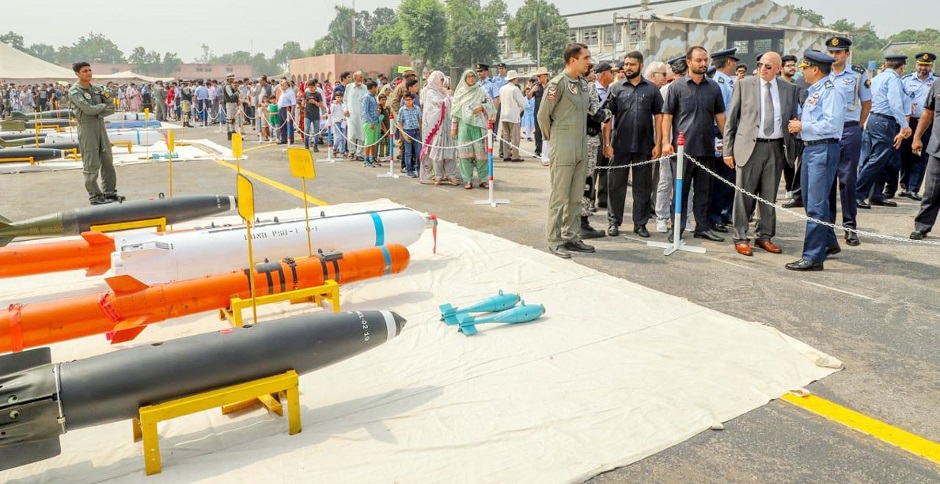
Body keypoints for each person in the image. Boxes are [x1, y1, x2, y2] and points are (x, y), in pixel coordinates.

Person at [722, 52, 800, 257]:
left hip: (775, 147)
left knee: (768, 196)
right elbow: (732, 120)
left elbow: (793, 119)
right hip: (749, 147)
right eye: (760, 65)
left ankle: (765, 236)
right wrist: (728, 150)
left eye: (767, 66)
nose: (762, 69)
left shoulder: (789, 89)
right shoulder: (744, 85)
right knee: (743, 195)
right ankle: (740, 236)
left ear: (778, 68)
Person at [785, 50, 846, 271]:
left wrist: (804, 126)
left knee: (817, 206)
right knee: (812, 202)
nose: (803, 72)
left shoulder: (831, 92)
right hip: (811, 149)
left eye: (805, 68)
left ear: (815, 69)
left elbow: (831, 125)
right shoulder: (815, 91)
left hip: (823, 149)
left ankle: (812, 257)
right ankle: (827, 242)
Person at [661, 46, 727, 242]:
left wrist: (728, 142)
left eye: (705, 60)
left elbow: (720, 117)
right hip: (683, 150)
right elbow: (667, 117)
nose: (704, 63)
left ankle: (702, 227)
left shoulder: (714, 87)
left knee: (704, 191)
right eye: (699, 60)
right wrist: (666, 142)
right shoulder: (677, 87)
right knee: (680, 190)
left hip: (707, 148)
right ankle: (677, 229)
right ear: (689, 63)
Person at [537, 42, 594, 259]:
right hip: (563, 146)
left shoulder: (581, 84)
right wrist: (554, 140)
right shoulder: (556, 84)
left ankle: (571, 236)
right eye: (586, 58)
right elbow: (543, 116)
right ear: (573, 60)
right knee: (559, 196)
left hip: (580, 145)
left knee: (576, 196)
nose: (589, 62)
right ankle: (554, 239)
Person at [820, 36, 872, 247]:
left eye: (838, 52)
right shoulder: (822, 73)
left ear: (847, 54)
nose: (834, 56)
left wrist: (858, 125)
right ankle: (828, 226)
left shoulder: (858, 75)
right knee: (828, 180)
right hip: (828, 132)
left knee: (848, 180)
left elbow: (867, 103)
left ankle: (850, 226)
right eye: (831, 52)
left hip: (850, 130)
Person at [605, 52, 663, 238]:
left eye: (632, 64)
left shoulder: (652, 90)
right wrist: (607, 143)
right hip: (619, 145)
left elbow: (660, 117)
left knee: (643, 187)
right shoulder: (615, 88)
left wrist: (659, 143)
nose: (628, 67)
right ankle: (614, 222)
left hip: (645, 145)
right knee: (616, 185)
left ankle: (640, 224)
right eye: (626, 64)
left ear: (640, 66)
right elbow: (607, 118)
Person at [855, 54, 912, 209]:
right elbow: (895, 104)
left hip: (873, 119)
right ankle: (858, 193)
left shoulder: (877, 78)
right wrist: (904, 126)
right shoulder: (893, 79)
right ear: (902, 67)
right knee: (878, 159)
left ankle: (875, 194)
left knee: (871, 158)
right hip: (885, 121)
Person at [68, 62, 122, 205]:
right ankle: (95, 196)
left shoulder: (97, 89)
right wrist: (102, 107)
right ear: (77, 74)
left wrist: (98, 108)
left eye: (90, 70)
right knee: (91, 162)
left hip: (100, 125)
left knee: (107, 160)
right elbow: (88, 110)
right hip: (87, 128)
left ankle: (109, 192)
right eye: (85, 71)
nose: (89, 73)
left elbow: (111, 107)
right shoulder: (75, 91)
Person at [653, 54, 688, 234]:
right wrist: (661, 142)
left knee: (686, 184)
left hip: (686, 143)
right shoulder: (665, 91)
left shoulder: (692, 88)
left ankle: (684, 217)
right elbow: (660, 120)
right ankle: (662, 217)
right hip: (670, 143)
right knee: (665, 181)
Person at [708, 48, 739, 234]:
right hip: (720, 134)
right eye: (733, 61)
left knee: (728, 178)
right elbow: (719, 115)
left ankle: (723, 214)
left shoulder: (727, 82)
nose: (734, 64)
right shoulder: (719, 83)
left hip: (726, 133)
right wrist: (724, 139)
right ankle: (715, 216)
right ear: (728, 62)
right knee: (720, 179)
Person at [899, 52, 937, 201]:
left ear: (931, 66)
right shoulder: (906, 80)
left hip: (927, 124)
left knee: (920, 156)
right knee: (904, 155)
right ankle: (904, 186)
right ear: (916, 65)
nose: (923, 68)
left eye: (926, 65)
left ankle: (913, 188)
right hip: (909, 122)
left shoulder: (936, 81)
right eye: (921, 65)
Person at [452, 69, 495, 189]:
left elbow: (490, 104)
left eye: (473, 76)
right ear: (465, 79)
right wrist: (453, 128)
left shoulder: (481, 91)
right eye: (468, 77)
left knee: (481, 154)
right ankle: (468, 180)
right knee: (465, 155)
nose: (471, 79)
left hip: (479, 125)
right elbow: (455, 112)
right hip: (464, 126)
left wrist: (482, 107)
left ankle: (483, 179)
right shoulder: (460, 92)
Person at [910, 73, 940, 240]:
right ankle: (922, 226)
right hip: (937, 148)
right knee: (931, 191)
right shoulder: (937, 84)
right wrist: (917, 136)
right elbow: (927, 113)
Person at [780, 54, 808, 208]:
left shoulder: (797, 85)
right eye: (789, 65)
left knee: (793, 161)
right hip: (779, 132)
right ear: (781, 68)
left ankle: (793, 189)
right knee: (783, 162)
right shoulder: (776, 85)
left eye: (793, 65)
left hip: (795, 131)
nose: (792, 68)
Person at [420, 71, 459, 185]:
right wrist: (449, 97)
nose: (443, 82)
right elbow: (440, 104)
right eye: (441, 79)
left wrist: (448, 96)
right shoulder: (431, 93)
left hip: (447, 126)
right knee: (437, 151)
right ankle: (438, 175)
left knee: (450, 149)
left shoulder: (441, 92)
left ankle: (451, 174)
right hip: (436, 128)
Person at [498, 70, 527, 162]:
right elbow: (522, 102)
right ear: (514, 79)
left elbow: (500, 101)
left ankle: (506, 155)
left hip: (504, 115)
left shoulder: (502, 88)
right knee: (515, 137)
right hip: (513, 115)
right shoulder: (515, 89)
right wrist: (521, 108)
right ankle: (515, 155)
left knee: (506, 136)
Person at [343, 72, 368, 160]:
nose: (362, 79)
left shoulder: (364, 88)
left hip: (362, 115)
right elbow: (345, 100)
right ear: (355, 78)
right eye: (360, 77)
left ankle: (359, 154)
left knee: (362, 135)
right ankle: (351, 152)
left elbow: (366, 100)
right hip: (351, 115)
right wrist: (345, 109)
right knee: (351, 134)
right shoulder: (349, 87)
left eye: (362, 77)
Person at [528, 67, 550, 160]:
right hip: (538, 112)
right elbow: (528, 97)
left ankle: (549, 152)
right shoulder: (536, 85)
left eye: (539, 76)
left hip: (549, 113)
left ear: (545, 76)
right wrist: (532, 90)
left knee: (549, 133)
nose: (538, 78)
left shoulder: (551, 85)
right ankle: (538, 150)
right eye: (537, 77)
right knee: (538, 132)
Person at [398, 92, 421, 178]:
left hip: (416, 132)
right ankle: (409, 169)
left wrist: (420, 130)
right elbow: (400, 123)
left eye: (409, 100)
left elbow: (420, 120)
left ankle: (419, 169)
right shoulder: (402, 110)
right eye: (405, 100)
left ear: (413, 100)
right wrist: (403, 134)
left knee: (418, 152)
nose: (407, 102)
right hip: (407, 131)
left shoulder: (417, 109)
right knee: (408, 152)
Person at [361, 80, 380, 167]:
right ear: (372, 88)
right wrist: (371, 122)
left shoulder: (373, 97)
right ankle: (366, 159)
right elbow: (365, 112)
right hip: (369, 123)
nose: (376, 89)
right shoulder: (366, 97)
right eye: (376, 87)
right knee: (368, 142)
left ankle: (372, 158)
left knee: (373, 142)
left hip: (375, 122)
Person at [303, 79, 323, 152]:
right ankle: (306, 145)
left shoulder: (318, 94)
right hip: (307, 114)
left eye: (312, 87)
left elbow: (321, 105)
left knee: (316, 131)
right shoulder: (306, 93)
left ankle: (315, 145)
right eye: (309, 87)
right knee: (306, 129)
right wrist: (304, 101)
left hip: (316, 115)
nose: (310, 89)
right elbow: (303, 104)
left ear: (315, 86)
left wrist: (315, 102)